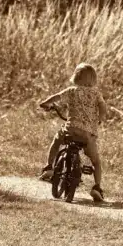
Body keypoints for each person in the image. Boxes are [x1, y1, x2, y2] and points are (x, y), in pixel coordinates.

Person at [38, 63, 108, 202]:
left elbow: (57, 97)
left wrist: (45, 103)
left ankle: (49, 167)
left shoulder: (72, 90)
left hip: (71, 129)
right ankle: (97, 187)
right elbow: (102, 106)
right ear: (93, 79)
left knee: (57, 141)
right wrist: (100, 118)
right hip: (88, 134)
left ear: (75, 77)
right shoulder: (96, 93)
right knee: (96, 162)